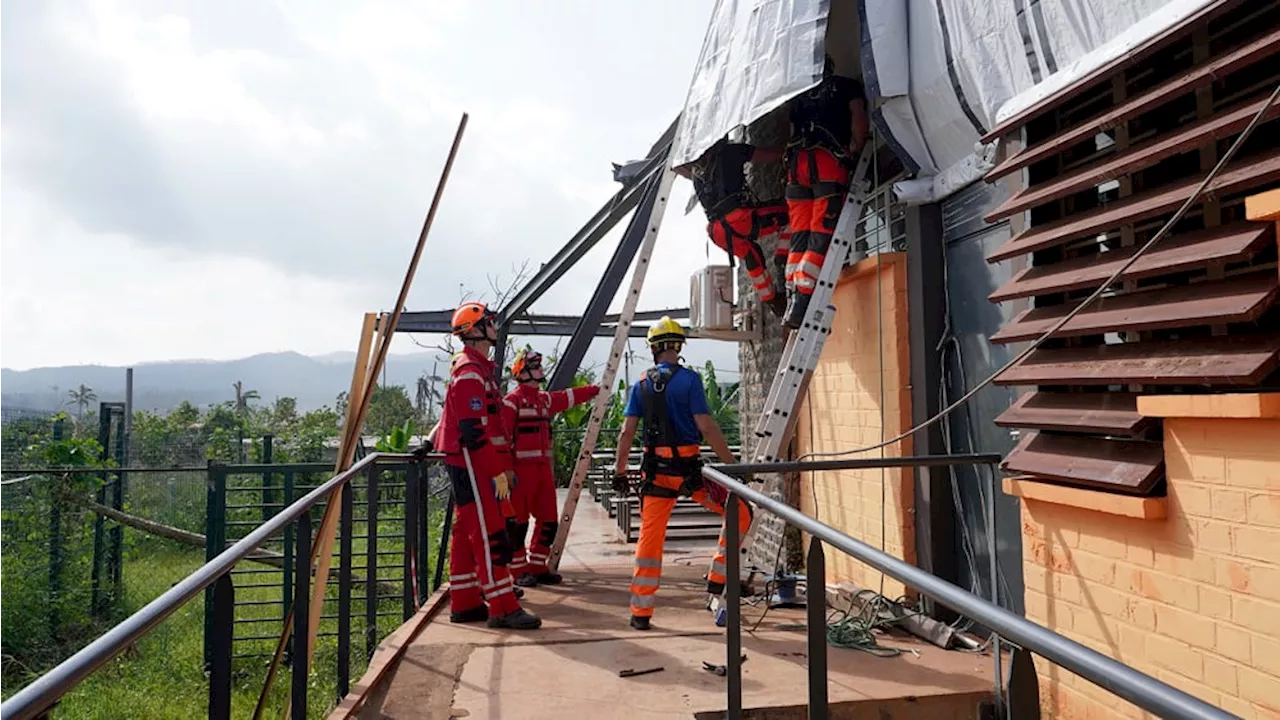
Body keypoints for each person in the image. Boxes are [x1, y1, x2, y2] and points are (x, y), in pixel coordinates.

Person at [611, 316, 753, 630]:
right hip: (690, 471)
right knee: (740, 511)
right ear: (678, 346)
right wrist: (731, 466)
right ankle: (717, 581)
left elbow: (626, 432)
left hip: (655, 474)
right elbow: (706, 426)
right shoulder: (689, 381)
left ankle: (641, 612)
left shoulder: (641, 385)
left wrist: (621, 472)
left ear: (653, 348)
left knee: (650, 540)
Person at [432, 301, 541, 629]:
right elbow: (473, 431)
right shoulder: (469, 372)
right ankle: (503, 606)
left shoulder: (478, 369)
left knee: (467, 531)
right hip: (472, 464)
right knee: (489, 533)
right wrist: (497, 472)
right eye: (489, 322)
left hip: (472, 462)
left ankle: (465, 602)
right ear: (475, 331)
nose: (495, 326)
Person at [781, 54, 869, 329]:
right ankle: (804, 300)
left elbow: (792, 131)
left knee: (800, 236)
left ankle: (793, 296)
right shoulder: (845, 87)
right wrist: (855, 149)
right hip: (827, 162)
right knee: (820, 233)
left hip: (797, 167)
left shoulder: (799, 97)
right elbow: (858, 123)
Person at [500, 349, 601, 587]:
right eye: (534, 366)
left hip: (543, 471)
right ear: (522, 372)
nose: (540, 370)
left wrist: (596, 389)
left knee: (548, 521)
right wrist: (507, 471)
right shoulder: (511, 403)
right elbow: (502, 441)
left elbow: (567, 397)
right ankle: (518, 570)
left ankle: (537, 566)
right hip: (520, 472)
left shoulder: (543, 400)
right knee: (517, 523)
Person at [676, 138, 790, 318]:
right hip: (739, 219)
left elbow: (678, 168)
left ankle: (773, 301)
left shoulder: (697, 170)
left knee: (751, 255)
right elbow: (765, 155)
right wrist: (789, 148)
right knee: (793, 212)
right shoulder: (731, 152)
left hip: (717, 232)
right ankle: (782, 261)